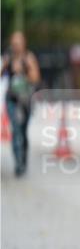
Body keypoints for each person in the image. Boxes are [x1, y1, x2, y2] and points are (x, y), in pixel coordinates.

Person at [2, 31, 41, 177]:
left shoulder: (28, 58)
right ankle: (18, 163)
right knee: (16, 129)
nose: (15, 46)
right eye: (13, 43)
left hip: (25, 100)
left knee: (23, 132)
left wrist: (24, 71)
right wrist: (5, 65)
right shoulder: (9, 58)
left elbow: (36, 78)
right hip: (11, 99)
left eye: (18, 43)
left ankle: (23, 160)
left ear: (23, 43)